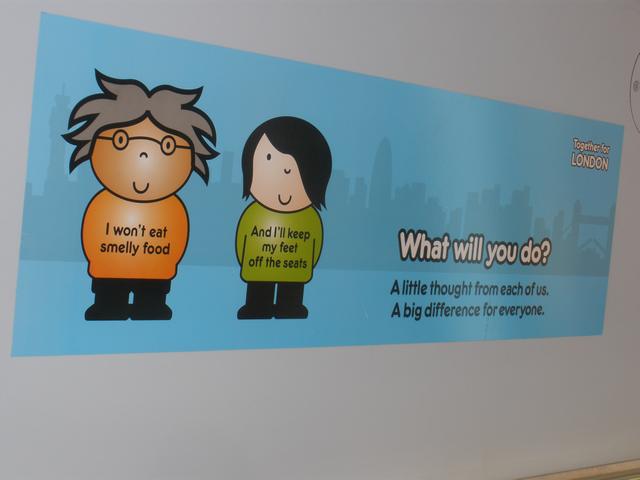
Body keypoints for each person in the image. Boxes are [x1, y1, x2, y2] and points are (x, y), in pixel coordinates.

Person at [64, 71, 218, 320]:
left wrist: (169, 263)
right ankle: (108, 305)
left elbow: (176, 239)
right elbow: (92, 234)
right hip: (107, 272)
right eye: (120, 140)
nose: (144, 155)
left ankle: (151, 305)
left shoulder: (173, 209)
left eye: (168, 146)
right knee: (109, 303)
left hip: (157, 275)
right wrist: (98, 261)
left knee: (152, 303)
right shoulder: (103, 204)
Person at [235, 116, 332, 319]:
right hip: (258, 268)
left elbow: (315, 243)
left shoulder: (310, 218)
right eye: (269, 158)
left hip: (295, 270)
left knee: (291, 295)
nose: (286, 171)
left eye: (295, 167)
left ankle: (290, 306)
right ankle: (257, 306)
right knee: (259, 293)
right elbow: (243, 238)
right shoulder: (254, 213)